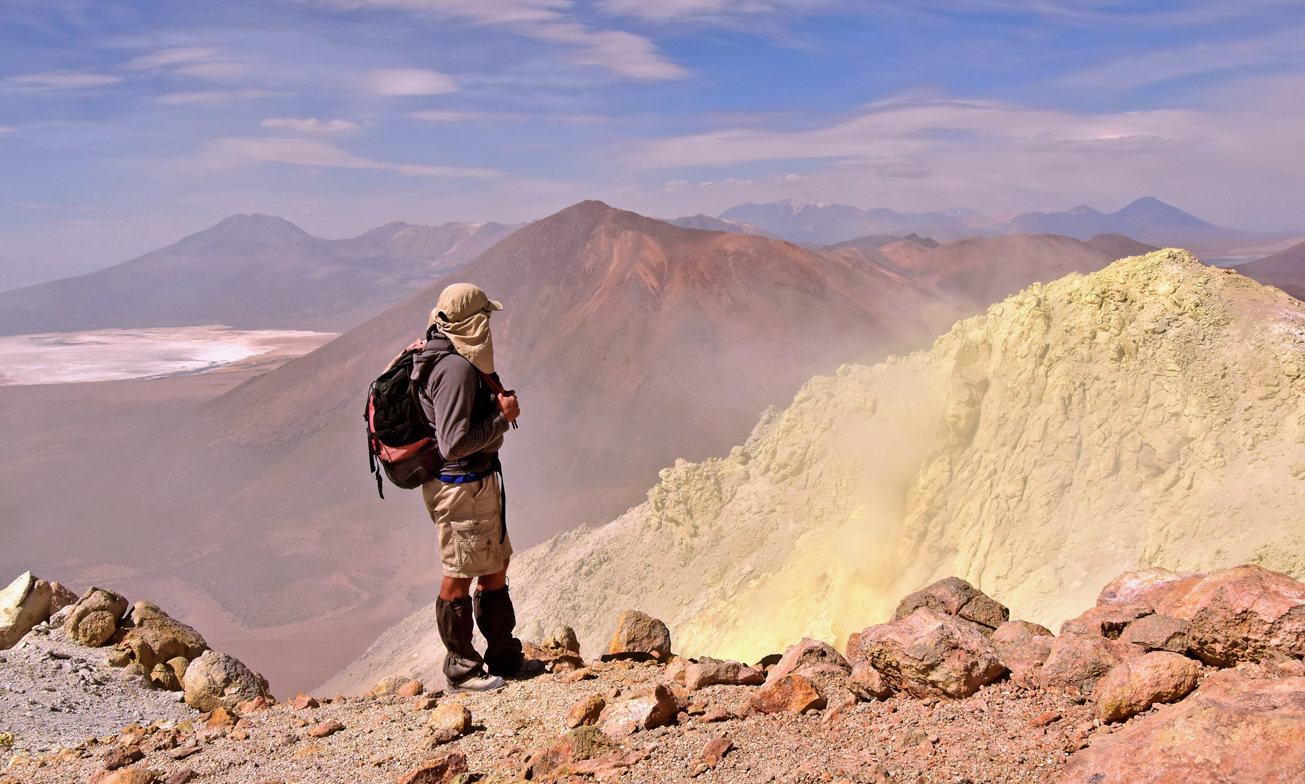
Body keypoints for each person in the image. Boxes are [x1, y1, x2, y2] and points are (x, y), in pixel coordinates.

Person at [408, 282, 539, 692]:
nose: (488, 325)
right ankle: (462, 669)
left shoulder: (450, 355)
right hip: (460, 485)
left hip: (477, 485)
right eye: (483, 316)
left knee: (495, 565)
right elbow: (453, 442)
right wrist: (501, 417)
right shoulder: (455, 369)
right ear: (470, 321)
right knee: (460, 572)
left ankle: (503, 656)